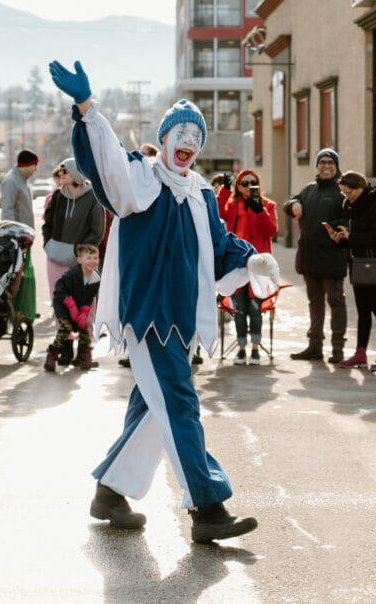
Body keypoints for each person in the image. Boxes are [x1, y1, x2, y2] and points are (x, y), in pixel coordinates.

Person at [50, 59, 278, 542]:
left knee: (154, 406)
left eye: (198, 134)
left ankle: (111, 491)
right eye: (182, 131)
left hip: (183, 317)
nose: (190, 141)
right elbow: (106, 161)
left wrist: (253, 261)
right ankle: (208, 507)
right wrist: (88, 108)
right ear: (167, 136)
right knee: (178, 402)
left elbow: (218, 247)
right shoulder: (139, 178)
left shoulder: (198, 193)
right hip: (148, 314)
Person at [283, 148, 349, 362]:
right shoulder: (309, 189)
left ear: (336, 167)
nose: (326, 166)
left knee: (336, 302)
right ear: (317, 166)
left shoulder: (342, 194)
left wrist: (339, 229)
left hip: (332, 257)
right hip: (309, 257)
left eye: (330, 162)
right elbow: (288, 203)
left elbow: (348, 221)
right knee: (315, 303)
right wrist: (294, 204)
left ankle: (337, 350)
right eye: (322, 162)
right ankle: (315, 346)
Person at [327, 171, 376, 370]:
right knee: (363, 311)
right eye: (343, 193)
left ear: (360, 188)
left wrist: (351, 237)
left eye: (349, 192)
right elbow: (351, 239)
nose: (346, 197)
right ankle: (360, 353)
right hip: (358, 263)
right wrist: (339, 239)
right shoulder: (350, 205)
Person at [217, 168, 279, 364]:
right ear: (238, 185)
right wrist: (225, 190)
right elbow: (218, 213)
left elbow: (271, 231)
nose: (248, 186)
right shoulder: (232, 204)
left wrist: (259, 210)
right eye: (244, 183)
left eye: (253, 183)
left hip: (258, 264)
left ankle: (255, 349)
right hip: (237, 263)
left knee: (255, 308)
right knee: (240, 309)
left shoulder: (267, 205)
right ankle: (241, 348)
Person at [43, 157, 105, 331]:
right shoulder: (57, 196)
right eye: (60, 170)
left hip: (81, 260)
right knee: (59, 300)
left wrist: (80, 252)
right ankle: (65, 342)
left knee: (84, 303)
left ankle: (85, 348)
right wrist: (49, 245)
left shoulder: (93, 196)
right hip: (55, 257)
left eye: (65, 170)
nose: (61, 174)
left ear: (77, 174)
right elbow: (47, 224)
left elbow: (97, 230)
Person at [45, 243, 100, 372]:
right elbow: (60, 290)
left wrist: (83, 312)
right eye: (89, 258)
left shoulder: (96, 277)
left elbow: (89, 296)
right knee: (66, 328)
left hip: (79, 304)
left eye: (95, 258)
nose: (92, 261)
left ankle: (84, 356)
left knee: (84, 327)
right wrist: (71, 307)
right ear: (79, 260)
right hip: (63, 304)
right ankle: (52, 354)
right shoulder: (73, 274)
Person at [0, 149, 38, 321]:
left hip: (25, 237)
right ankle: (15, 311)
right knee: (16, 275)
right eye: (35, 165)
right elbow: (7, 210)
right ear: (27, 165)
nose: (36, 168)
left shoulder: (22, 180)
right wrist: (13, 235)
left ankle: (23, 309)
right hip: (17, 238)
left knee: (22, 274)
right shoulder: (11, 181)